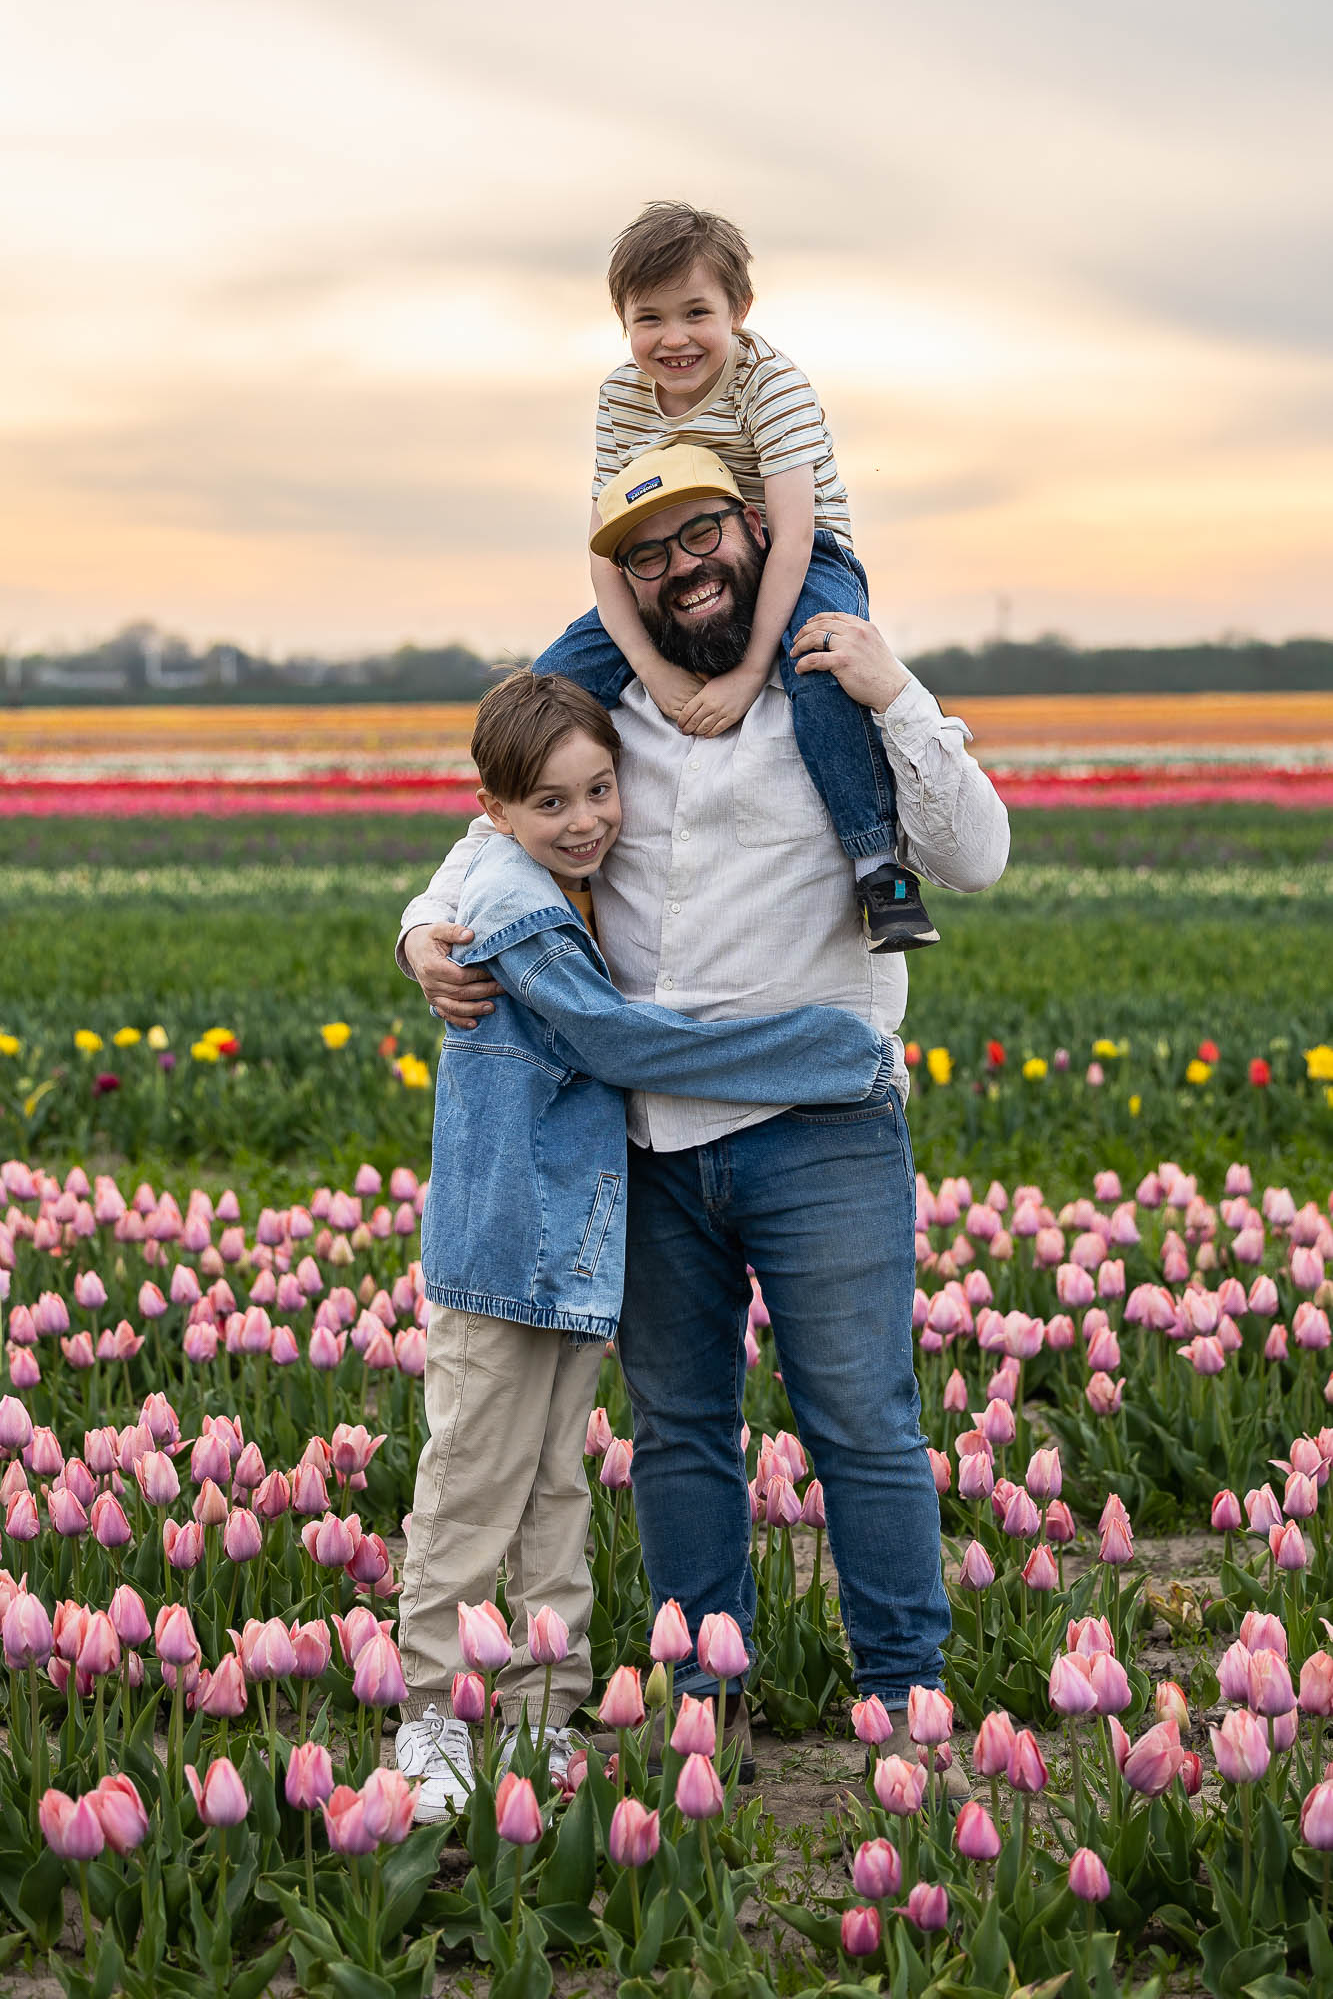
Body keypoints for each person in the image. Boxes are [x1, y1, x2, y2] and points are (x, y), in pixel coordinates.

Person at [398, 444, 1009, 1782]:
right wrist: (419, 938)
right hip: (648, 1147)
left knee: (862, 1420)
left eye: (704, 537)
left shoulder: (839, 699)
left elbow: (978, 853)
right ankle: (703, 1704)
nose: (686, 568)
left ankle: (909, 1709)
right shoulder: (609, 716)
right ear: (623, 582)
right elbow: (489, 833)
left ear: (756, 533)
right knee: (679, 1430)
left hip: (822, 1139)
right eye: (652, 552)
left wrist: (895, 688)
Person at [394, 670, 901, 1820]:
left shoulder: (549, 880)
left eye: (600, 789)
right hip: (502, 1246)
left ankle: (537, 1711)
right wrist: (833, 1050)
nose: (587, 821)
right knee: (474, 1484)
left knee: (552, 1487)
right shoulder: (515, 904)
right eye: (553, 803)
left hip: (566, 1248)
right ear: (494, 808)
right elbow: (620, 1039)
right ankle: (430, 1715)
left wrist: (412, 928)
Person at [536, 198, 938, 953]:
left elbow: (791, 533)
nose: (674, 338)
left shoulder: (770, 383)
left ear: (739, 308)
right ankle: (557, 873)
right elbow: (602, 552)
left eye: (697, 312)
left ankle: (876, 866)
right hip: (669, 564)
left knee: (819, 667)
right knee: (548, 687)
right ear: (621, 321)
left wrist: (750, 672)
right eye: (648, 318)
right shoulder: (620, 397)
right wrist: (652, 670)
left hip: (796, 553)